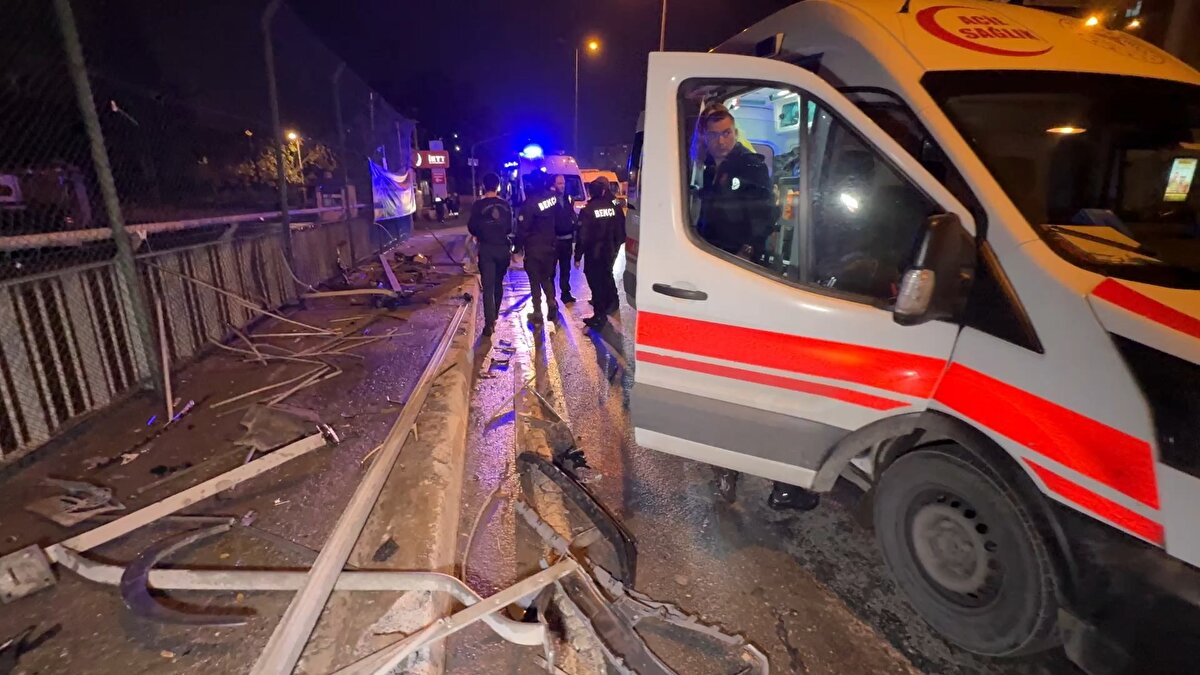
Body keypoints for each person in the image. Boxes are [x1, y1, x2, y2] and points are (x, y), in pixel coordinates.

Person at [695, 103, 774, 260]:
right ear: (705, 137)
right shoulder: (708, 169)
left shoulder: (751, 166)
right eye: (714, 135)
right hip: (711, 251)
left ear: (735, 133)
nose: (721, 141)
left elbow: (764, 215)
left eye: (726, 133)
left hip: (737, 257)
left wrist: (747, 252)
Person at [574, 177, 625, 328]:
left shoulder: (588, 210)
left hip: (594, 253)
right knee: (606, 276)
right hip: (609, 249)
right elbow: (620, 223)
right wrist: (618, 243)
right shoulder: (613, 204)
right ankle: (610, 303)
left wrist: (578, 256)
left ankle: (600, 313)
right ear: (604, 189)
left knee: (596, 282)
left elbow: (582, 236)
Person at [467, 173, 512, 336]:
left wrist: (482, 231)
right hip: (502, 249)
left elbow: (472, 227)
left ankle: (489, 323)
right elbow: (509, 228)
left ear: (484, 186)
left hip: (486, 249)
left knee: (488, 287)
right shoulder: (505, 205)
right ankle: (494, 315)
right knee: (498, 284)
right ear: (498, 186)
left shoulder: (478, 206)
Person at [515, 171, 560, 325]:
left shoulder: (529, 204)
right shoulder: (552, 198)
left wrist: (516, 248)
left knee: (534, 281)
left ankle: (537, 312)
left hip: (534, 248)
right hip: (550, 246)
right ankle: (552, 303)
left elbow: (522, 229)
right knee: (546, 278)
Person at [548, 174, 579, 304]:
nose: (562, 185)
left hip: (566, 240)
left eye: (563, 183)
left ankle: (565, 293)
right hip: (554, 241)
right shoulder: (550, 200)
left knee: (566, 269)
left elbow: (572, 215)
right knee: (552, 271)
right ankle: (551, 296)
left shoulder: (568, 198)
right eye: (560, 183)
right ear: (554, 184)